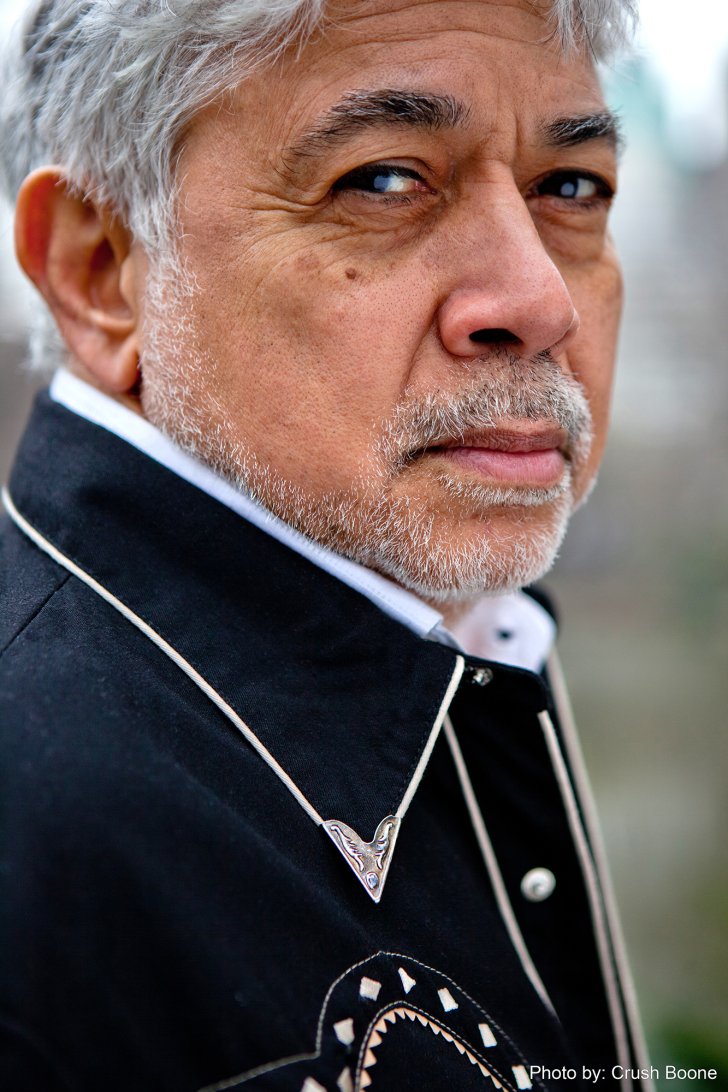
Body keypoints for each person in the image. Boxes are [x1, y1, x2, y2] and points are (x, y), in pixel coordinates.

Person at [0, 1, 653, 1089]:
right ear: (101, 268)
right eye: (384, 181)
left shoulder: (466, 643)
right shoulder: (32, 852)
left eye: (570, 188)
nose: (540, 301)